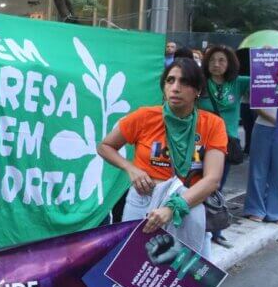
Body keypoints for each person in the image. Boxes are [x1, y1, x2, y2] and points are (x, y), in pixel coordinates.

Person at [97, 58, 226, 257]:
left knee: (187, 279)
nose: (175, 88)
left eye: (184, 82)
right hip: (143, 201)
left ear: (198, 90)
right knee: (135, 271)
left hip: (189, 202)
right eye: (170, 80)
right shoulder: (144, 117)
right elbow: (105, 147)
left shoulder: (213, 124)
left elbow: (212, 179)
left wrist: (172, 208)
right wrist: (131, 169)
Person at [196, 45, 250, 247]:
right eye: (212, 60)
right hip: (199, 143)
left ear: (230, 64)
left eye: (221, 60)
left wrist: (271, 57)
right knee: (195, 184)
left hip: (225, 144)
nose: (216, 64)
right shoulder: (199, 83)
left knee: (216, 187)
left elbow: (270, 81)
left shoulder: (238, 83)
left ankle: (215, 231)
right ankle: (195, 227)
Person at [244, 54, 278, 227]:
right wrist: (277, 121)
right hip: (263, 127)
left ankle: (277, 212)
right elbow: (257, 107)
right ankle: (255, 209)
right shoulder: (264, 80)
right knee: (258, 169)